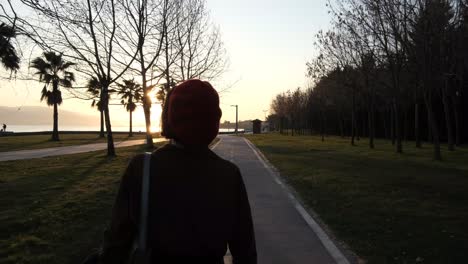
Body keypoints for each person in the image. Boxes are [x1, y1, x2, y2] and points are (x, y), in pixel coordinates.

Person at [96, 79, 257, 264]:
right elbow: (245, 251)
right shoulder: (229, 175)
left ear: (169, 117)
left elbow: (116, 245)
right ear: (214, 122)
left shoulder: (142, 168)